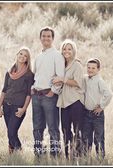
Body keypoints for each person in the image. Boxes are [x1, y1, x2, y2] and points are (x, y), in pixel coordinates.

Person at [31, 26, 65, 158]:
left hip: (49, 96)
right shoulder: (39, 56)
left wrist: (53, 91)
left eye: (48, 36)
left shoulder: (57, 55)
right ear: (40, 38)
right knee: (37, 127)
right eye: (43, 36)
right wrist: (33, 88)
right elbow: (36, 74)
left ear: (52, 38)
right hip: (37, 95)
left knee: (53, 127)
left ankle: (55, 153)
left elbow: (60, 75)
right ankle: (39, 152)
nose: (46, 38)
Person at [0, 46, 34, 154]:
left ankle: (20, 151)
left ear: (27, 59)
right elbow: (4, 90)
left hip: (18, 107)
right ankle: (12, 154)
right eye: (21, 54)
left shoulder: (29, 74)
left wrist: (24, 108)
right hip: (6, 106)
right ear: (17, 55)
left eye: (25, 55)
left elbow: (28, 94)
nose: (22, 57)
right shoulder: (9, 72)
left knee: (11, 132)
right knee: (10, 132)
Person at [52, 39, 85, 160]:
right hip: (63, 103)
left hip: (75, 101)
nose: (66, 51)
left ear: (73, 51)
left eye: (69, 49)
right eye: (64, 49)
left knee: (77, 130)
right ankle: (67, 155)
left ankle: (78, 156)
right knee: (65, 130)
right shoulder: (61, 65)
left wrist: (62, 79)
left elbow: (78, 83)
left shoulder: (77, 65)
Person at [82, 58, 113, 160]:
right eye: (89, 67)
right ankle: (86, 158)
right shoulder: (85, 79)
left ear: (98, 69)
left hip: (97, 115)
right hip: (86, 113)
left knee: (98, 137)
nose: (90, 70)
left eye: (93, 68)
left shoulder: (99, 81)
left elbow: (108, 94)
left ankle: (100, 159)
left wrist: (101, 106)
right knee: (86, 137)